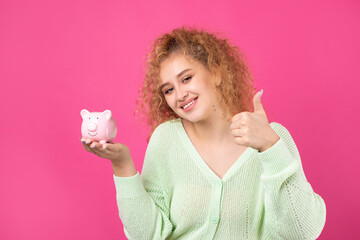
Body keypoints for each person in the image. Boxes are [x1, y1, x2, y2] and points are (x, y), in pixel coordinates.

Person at [80, 26, 326, 239]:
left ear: (216, 73)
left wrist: (271, 148)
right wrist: (122, 166)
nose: (179, 95)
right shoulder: (166, 139)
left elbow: (303, 232)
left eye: (186, 78)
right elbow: (147, 235)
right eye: (168, 90)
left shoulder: (271, 138)